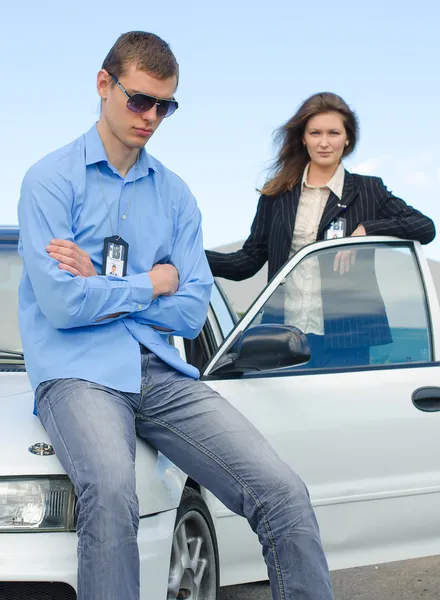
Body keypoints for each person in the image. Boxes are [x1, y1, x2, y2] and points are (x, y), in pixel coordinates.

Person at [17, 32, 334, 600]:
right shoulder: (49, 181)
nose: (152, 117)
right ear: (103, 85)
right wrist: (148, 282)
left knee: (282, 491)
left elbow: (189, 312)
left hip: (162, 374)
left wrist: (105, 283)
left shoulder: (177, 196)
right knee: (112, 495)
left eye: (166, 105)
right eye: (139, 99)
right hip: (77, 374)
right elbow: (61, 305)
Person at [206, 92, 435, 367]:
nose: (324, 142)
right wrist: (184, 257)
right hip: (282, 337)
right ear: (303, 138)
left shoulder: (368, 189)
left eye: (334, 133)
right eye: (315, 133)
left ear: (347, 138)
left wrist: (366, 230)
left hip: (348, 336)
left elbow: (425, 227)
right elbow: (247, 262)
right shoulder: (276, 195)